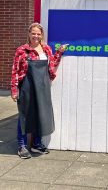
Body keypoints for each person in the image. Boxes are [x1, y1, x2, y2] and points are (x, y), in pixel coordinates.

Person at [11, 23, 68, 159]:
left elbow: (52, 64)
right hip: (26, 86)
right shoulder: (22, 50)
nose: (36, 36)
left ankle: (36, 143)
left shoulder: (46, 49)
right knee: (24, 116)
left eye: (38, 33)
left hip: (42, 87)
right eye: (33, 33)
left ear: (41, 35)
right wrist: (14, 89)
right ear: (29, 34)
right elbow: (15, 70)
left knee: (40, 114)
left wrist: (59, 51)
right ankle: (22, 145)